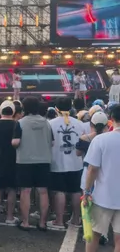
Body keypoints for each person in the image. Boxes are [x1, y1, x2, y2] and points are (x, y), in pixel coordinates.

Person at [72, 103, 120, 252]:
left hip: (102, 196)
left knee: (93, 234)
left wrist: (87, 191)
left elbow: (92, 169)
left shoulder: (101, 141)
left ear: (112, 118)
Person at [12, 97, 53, 231]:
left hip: (25, 160)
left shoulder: (21, 123)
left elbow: (16, 142)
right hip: (44, 160)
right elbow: (52, 142)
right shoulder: (46, 123)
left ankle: (25, 222)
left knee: (25, 191)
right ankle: (42, 222)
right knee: (43, 191)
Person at [48, 97, 84, 231]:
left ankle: (59, 220)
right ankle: (76, 219)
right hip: (76, 162)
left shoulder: (51, 124)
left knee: (59, 191)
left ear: (56, 108)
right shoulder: (79, 123)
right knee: (75, 191)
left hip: (57, 161)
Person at [0, 101, 18, 226]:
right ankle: (10, 216)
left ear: (0, 111)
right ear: (13, 112)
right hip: (14, 160)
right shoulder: (17, 125)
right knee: (12, 189)